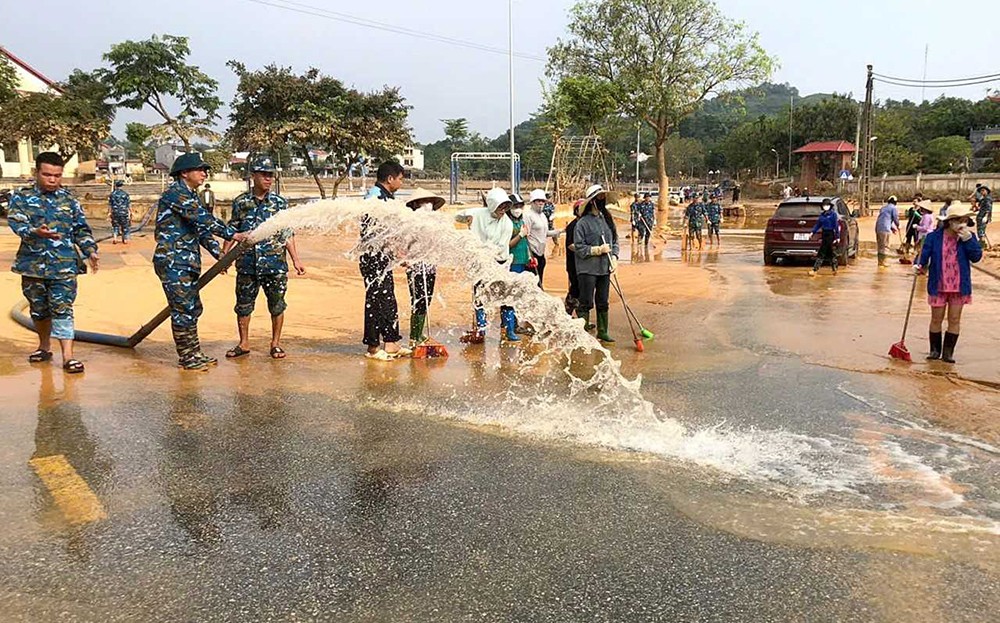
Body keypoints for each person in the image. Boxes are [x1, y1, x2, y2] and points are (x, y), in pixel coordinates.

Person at [154, 152, 248, 370]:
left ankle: (194, 353)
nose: (205, 173)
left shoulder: (191, 196)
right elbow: (203, 219)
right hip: (173, 261)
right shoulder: (176, 194)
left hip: (186, 262)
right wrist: (232, 235)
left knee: (193, 307)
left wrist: (219, 254)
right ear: (184, 173)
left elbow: (200, 230)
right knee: (183, 310)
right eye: (200, 169)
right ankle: (187, 358)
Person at [8, 152, 100, 373]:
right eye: (47, 174)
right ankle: (44, 346)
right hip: (32, 265)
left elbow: (81, 229)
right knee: (39, 310)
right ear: (36, 173)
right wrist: (34, 232)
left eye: (57, 175)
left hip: (64, 265)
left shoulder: (69, 200)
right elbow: (16, 222)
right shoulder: (21, 197)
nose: (52, 180)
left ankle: (68, 357)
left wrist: (90, 250)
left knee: (63, 309)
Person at [223, 156, 305, 360]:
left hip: (274, 264)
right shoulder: (241, 202)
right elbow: (233, 229)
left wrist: (296, 260)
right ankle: (244, 343)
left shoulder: (279, 203)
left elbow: (287, 233)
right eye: (264, 174)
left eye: (271, 175)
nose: (268, 179)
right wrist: (225, 256)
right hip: (247, 264)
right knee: (243, 305)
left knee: (277, 305)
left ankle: (275, 343)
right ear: (253, 176)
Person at [915, 202, 982, 363]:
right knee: (936, 319)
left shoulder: (969, 238)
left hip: (959, 286)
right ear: (949, 221)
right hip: (939, 284)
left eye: (964, 220)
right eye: (958, 220)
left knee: (954, 319)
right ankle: (934, 351)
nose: (961, 224)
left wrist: (968, 241)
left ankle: (948, 353)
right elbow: (923, 255)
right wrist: (918, 265)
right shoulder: (934, 237)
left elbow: (976, 257)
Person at [360, 161, 408, 360]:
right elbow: (378, 232)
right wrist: (398, 252)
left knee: (387, 299)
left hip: (383, 257)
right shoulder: (376, 198)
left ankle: (391, 343)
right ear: (390, 179)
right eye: (400, 179)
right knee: (376, 300)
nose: (401, 183)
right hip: (373, 257)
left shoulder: (386, 197)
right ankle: (373, 347)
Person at [455, 187, 514, 342]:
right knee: (479, 295)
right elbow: (457, 216)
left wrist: (483, 250)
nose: (503, 210)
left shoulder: (507, 223)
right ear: (492, 205)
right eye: (500, 206)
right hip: (479, 261)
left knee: (504, 296)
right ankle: (481, 329)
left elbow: (501, 246)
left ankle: (509, 329)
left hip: (499, 261)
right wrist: (467, 219)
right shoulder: (478, 213)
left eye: (505, 207)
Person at [574, 184, 619, 343]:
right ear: (592, 201)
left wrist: (614, 257)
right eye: (598, 197)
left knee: (603, 300)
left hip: (604, 268)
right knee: (586, 301)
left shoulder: (606, 219)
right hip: (587, 269)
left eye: (603, 197)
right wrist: (597, 250)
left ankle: (602, 331)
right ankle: (581, 333)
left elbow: (614, 240)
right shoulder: (582, 223)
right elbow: (579, 248)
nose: (602, 200)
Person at [402, 188, 446, 346]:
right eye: (424, 202)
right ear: (416, 204)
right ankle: (414, 337)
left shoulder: (435, 222)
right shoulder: (411, 222)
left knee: (427, 299)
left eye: (430, 202)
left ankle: (419, 334)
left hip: (430, 266)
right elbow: (404, 242)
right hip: (415, 266)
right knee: (418, 299)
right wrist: (404, 258)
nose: (428, 205)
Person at [525, 189, 562, 289]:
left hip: (541, 254)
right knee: (532, 284)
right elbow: (525, 236)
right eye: (538, 201)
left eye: (542, 201)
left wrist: (560, 231)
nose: (541, 203)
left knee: (539, 281)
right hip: (532, 254)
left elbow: (545, 233)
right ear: (532, 202)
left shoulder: (543, 216)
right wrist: (529, 256)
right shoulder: (528, 216)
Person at [809, 198, 840, 276]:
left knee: (822, 252)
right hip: (824, 234)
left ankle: (815, 269)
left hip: (830, 234)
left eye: (827, 205)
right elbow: (818, 225)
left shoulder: (833, 215)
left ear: (830, 206)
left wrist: (837, 237)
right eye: (824, 205)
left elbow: (836, 226)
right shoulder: (822, 216)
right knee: (830, 253)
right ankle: (834, 269)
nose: (825, 207)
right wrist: (812, 232)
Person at [564, 200, 583, 315]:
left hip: (584, 263)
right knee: (575, 288)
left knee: (583, 290)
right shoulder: (572, 226)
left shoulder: (585, 224)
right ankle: (567, 312)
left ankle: (581, 316)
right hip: (573, 263)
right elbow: (570, 245)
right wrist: (585, 250)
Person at [875, 195, 900, 268]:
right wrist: (898, 225)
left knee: (880, 246)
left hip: (878, 228)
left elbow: (886, 219)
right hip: (885, 229)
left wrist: (892, 228)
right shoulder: (893, 208)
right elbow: (895, 219)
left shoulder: (883, 208)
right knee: (885, 246)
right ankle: (883, 263)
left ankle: (880, 262)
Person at [107, 179, 132, 245]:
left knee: (115, 226)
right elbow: (129, 204)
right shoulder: (125, 194)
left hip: (115, 212)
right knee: (125, 226)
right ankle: (125, 239)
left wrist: (109, 213)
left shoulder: (112, 194)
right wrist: (130, 212)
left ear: (115, 186)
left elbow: (110, 204)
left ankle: (115, 238)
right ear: (122, 186)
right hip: (124, 212)